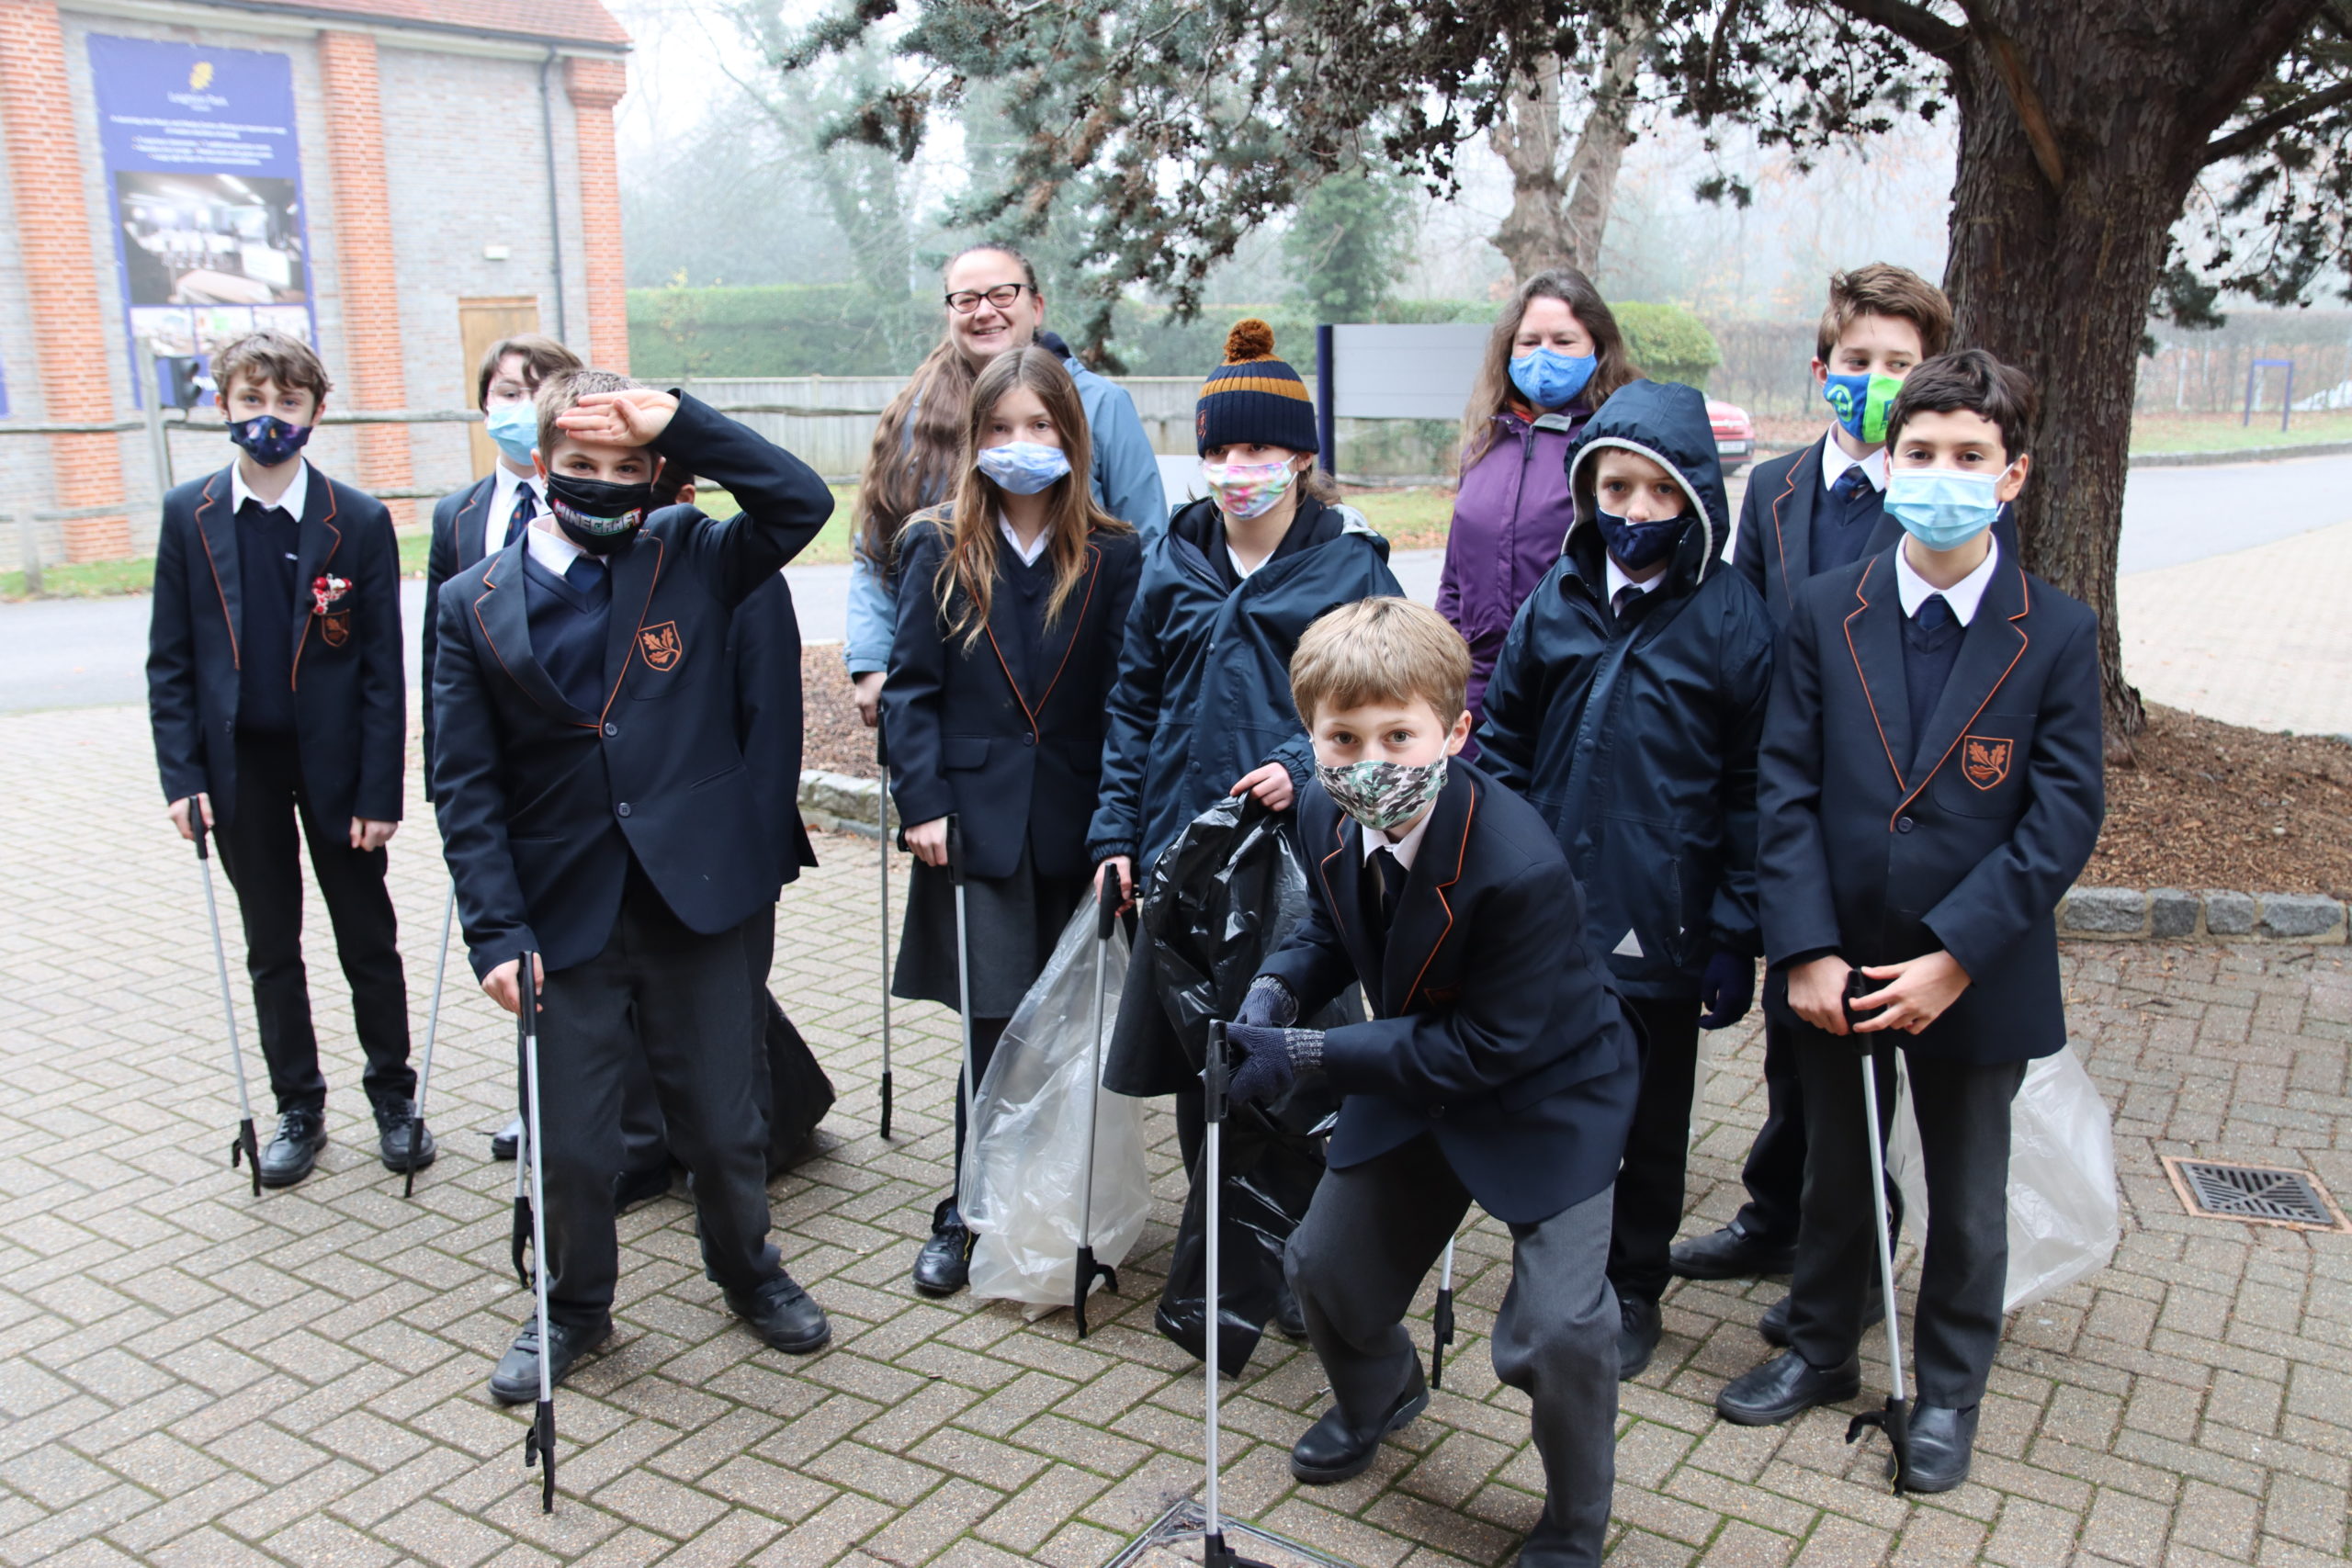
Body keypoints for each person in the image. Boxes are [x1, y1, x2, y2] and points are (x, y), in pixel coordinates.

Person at [1713, 351, 2103, 1495]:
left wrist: (1955, 956)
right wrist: (1804, 945)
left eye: (1968, 458)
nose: (1941, 475)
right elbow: (1780, 784)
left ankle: (1947, 1392)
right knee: (1836, 1173)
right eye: (1919, 454)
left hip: (1973, 973)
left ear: (2012, 476)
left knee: (1967, 1197)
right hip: (1838, 955)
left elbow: (2062, 813)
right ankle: (1823, 1349)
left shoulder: (2058, 632)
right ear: (1888, 465)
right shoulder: (1824, 610)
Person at [430, 369, 837, 1402]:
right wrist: (492, 932)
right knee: (571, 1144)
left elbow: (801, 501)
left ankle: (749, 1270)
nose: (603, 484)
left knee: (721, 1122)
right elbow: (464, 786)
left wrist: (680, 421)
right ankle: (573, 1305)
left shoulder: (695, 556)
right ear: (539, 463)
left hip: (694, 900)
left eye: (626, 467)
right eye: (580, 466)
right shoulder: (467, 606)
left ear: (655, 474)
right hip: (558, 916)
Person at [1222, 597, 1639, 1568]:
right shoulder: (1326, 806)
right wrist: (1277, 993)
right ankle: (1382, 1391)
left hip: (1545, 1093)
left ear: (1454, 731)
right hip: (1416, 1071)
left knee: (1560, 1330)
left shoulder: (1517, 864)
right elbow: (1333, 922)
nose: (1371, 762)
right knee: (1323, 1269)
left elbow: (1484, 1048)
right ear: (1313, 738)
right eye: (1343, 737)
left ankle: (1574, 1523)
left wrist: (1315, 1058)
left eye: (1399, 735)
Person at [1474, 379, 1774, 1381]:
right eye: (1615, 487)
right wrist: (1493, 868)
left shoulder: (1732, 621)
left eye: (1657, 492)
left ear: (1693, 500)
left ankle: (1633, 1283)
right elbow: (1505, 743)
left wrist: (1734, 928)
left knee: (1647, 1114)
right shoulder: (1552, 602)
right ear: (1587, 488)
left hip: (1663, 916)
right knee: (1548, 1093)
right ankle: (1553, 1267)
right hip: (1549, 909)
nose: (1634, 512)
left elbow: (1749, 786)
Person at [1679, 264, 1958, 1303]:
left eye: (1900, 365)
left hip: (1889, 818)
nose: (1875, 380)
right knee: (1794, 1033)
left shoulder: (1943, 493)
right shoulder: (1779, 488)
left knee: (1862, 1053)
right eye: (1858, 362)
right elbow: (1748, 644)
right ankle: (1775, 1213)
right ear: (1823, 368)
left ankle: (1851, 1251)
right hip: (1789, 808)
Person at [1090, 319, 1403, 1170]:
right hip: (1183, 847)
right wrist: (1116, 837)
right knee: (1206, 1052)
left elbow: (1391, 700)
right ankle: (1220, 1235)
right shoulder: (1171, 559)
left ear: (1301, 456)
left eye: (1260, 446)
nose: (1238, 468)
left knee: (1302, 1045)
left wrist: (1303, 765)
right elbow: (1132, 706)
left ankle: (1309, 1251)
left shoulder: (1351, 566)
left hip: (1306, 854)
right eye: (1220, 449)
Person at [880, 347, 1144, 1293]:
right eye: (1000, 429)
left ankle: (1063, 1207)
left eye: (1040, 428)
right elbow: (910, 691)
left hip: (1079, 827)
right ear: (973, 440)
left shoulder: (1114, 552)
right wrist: (924, 803)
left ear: (1071, 438)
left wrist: (1125, 825)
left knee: (1071, 1024)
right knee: (993, 1028)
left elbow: (1129, 697)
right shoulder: (935, 545)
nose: (1020, 445)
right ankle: (967, 1205)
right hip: (973, 829)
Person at [147, 329, 421, 1186]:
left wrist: (381, 788)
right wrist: (182, 777)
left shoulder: (359, 521)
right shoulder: (186, 516)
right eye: (253, 400)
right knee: (272, 942)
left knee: (366, 936)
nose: (270, 418)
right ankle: (298, 1105)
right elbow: (170, 661)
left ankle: (394, 1095)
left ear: (315, 412)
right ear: (225, 406)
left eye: (288, 402)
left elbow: (383, 669)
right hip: (240, 771)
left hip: (338, 770)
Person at [844, 243, 1165, 728]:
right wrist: (871, 658)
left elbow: (1147, 544)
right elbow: (878, 549)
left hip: (1071, 686)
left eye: (1001, 293)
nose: (984, 311)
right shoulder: (914, 418)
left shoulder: (1100, 404)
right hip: (955, 683)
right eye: (966, 300)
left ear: (1035, 307)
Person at [1437, 267, 1641, 738]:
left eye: (1563, 341)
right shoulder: (1486, 444)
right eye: (1529, 341)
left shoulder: (1615, 445)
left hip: (1575, 690)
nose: (1543, 355)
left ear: (1598, 347)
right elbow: (1454, 580)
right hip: (1477, 692)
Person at [422, 333, 582, 770]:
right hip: (487, 739)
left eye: (542, 393)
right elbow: (438, 651)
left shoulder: (601, 503)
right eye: (509, 393)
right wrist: (440, 766)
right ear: (485, 404)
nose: (525, 407)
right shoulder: (455, 515)